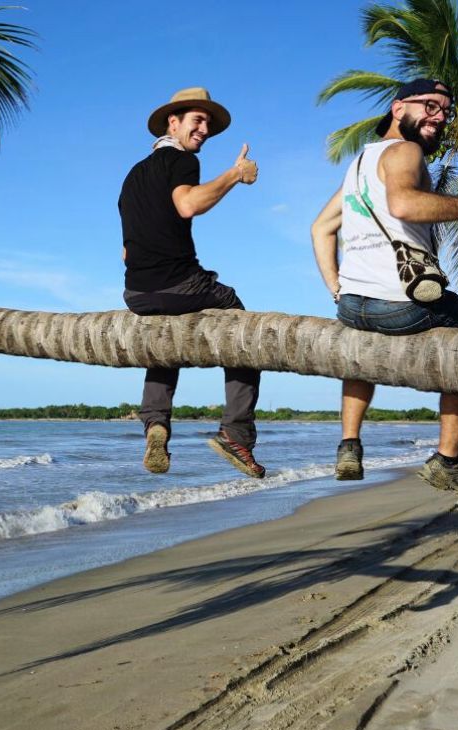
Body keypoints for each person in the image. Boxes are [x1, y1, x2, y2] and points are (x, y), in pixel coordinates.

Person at [310, 78, 458, 498]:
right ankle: (447, 460)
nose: (440, 117)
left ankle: (349, 445)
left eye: (446, 111)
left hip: (353, 306)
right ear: (398, 108)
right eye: (430, 106)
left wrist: (336, 288)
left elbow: (321, 227)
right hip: (401, 306)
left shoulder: (360, 164)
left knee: (360, 353)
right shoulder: (406, 151)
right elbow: (403, 204)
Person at [119, 87, 264, 479]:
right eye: (197, 120)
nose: (204, 129)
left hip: (137, 293)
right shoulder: (182, 161)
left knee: (165, 340)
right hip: (180, 284)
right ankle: (236, 432)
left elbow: (126, 252)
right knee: (239, 319)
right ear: (173, 122)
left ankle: (156, 422)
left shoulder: (133, 176)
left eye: (208, 124)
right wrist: (235, 174)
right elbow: (188, 204)